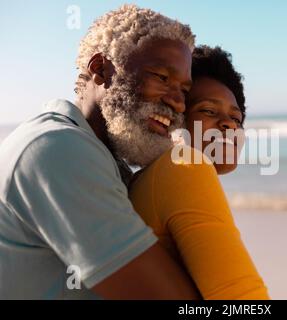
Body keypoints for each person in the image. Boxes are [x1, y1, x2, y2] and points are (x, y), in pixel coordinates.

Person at [0, 4, 200, 299]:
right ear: (100, 70)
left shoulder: (99, 154)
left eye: (184, 90)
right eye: (161, 77)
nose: (178, 102)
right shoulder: (60, 150)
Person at [129, 46, 270, 299]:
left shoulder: (152, 177)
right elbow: (241, 299)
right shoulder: (185, 166)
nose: (228, 124)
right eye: (208, 110)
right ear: (175, 119)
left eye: (236, 119)